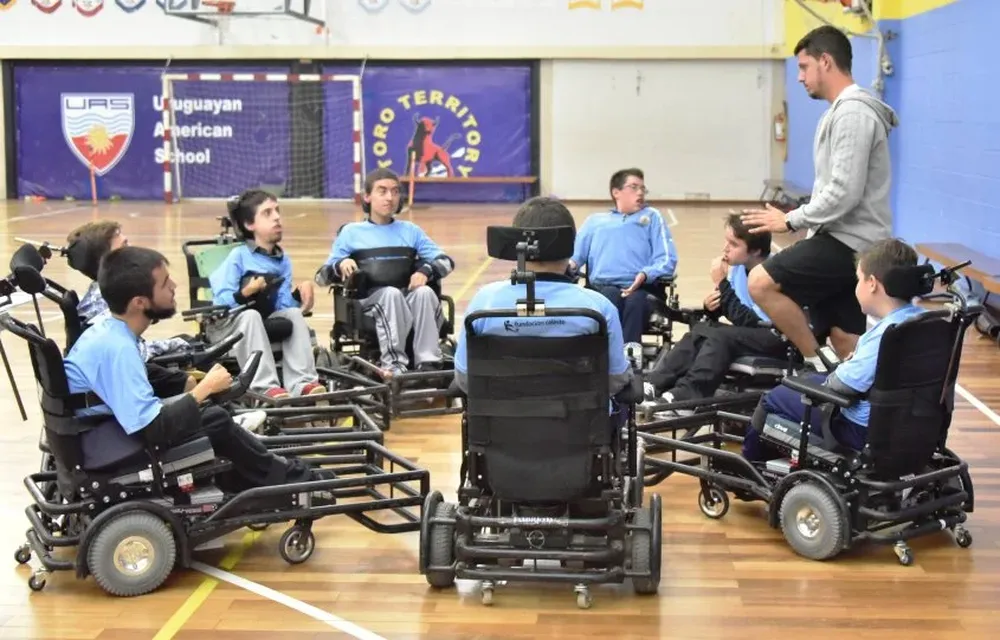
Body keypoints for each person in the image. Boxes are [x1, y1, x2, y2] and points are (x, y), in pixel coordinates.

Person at [64, 246, 332, 489]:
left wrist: (188, 382)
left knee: (213, 414)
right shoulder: (118, 348)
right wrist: (203, 390)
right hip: (107, 445)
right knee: (214, 419)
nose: (175, 285)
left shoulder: (109, 331)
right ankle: (296, 480)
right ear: (139, 302)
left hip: (97, 433)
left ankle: (270, 473)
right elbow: (153, 430)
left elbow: (141, 375)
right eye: (165, 283)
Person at [741, 25, 899, 371]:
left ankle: (815, 360)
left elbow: (844, 192)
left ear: (825, 62)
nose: (799, 77)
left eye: (803, 67)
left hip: (850, 244)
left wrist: (790, 219)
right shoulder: (840, 112)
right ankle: (855, 406)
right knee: (844, 337)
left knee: (761, 283)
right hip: (842, 240)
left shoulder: (853, 114)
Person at [741, 238, 923, 462]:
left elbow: (842, 384)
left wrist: (840, 372)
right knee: (812, 380)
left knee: (774, 398)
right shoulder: (925, 323)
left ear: (872, 283)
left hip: (859, 429)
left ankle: (751, 468)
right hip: (912, 424)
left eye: (858, 280)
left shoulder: (887, 334)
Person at [454, 196, 632, 397]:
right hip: (580, 425)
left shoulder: (484, 303)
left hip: (500, 425)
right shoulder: (598, 308)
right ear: (571, 245)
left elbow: (465, 379)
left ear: (516, 244)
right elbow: (615, 380)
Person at [643, 214, 786, 414]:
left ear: (755, 251)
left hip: (775, 337)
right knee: (703, 329)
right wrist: (712, 308)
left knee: (721, 336)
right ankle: (654, 383)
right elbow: (736, 309)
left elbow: (751, 322)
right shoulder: (738, 269)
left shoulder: (771, 274)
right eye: (726, 241)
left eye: (733, 244)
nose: (725, 248)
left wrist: (722, 284)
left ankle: (688, 396)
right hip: (751, 333)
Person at [322, 168, 455, 378]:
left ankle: (429, 364)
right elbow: (322, 276)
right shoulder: (351, 233)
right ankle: (394, 365)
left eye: (394, 192)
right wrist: (340, 264)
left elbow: (446, 262)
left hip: (405, 297)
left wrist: (425, 271)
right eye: (382, 191)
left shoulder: (411, 231)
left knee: (425, 293)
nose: (390, 197)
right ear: (367, 197)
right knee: (391, 294)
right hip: (369, 303)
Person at [207, 189, 324, 400]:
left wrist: (298, 295)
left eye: (277, 211)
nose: (277, 217)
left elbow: (282, 306)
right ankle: (264, 387)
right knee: (251, 316)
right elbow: (220, 303)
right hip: (225, 327)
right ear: (249, 225)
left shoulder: (282, 260)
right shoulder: (238, 256)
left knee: (293, 315)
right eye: (267, 213)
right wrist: (246, 292)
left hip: (260, 322)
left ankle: (303, 382)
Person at [65, 220, 194, 399]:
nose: (132, 248)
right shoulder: (103, 304)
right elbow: (126, 352)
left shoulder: (99, 294)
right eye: (124, 245)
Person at [569, 168, 678, 346]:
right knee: (609, 298)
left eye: (643, 188)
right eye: (634, 187)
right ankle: (607, 355)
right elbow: (574, 258)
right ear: (616, 192)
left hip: (644, 288)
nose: (640, 192)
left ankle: (630, 355)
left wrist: (645, 274)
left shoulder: (652, 217)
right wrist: (569, 267)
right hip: (603, 288)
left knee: (635, 301)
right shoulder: (595, 221)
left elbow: (667, 260)